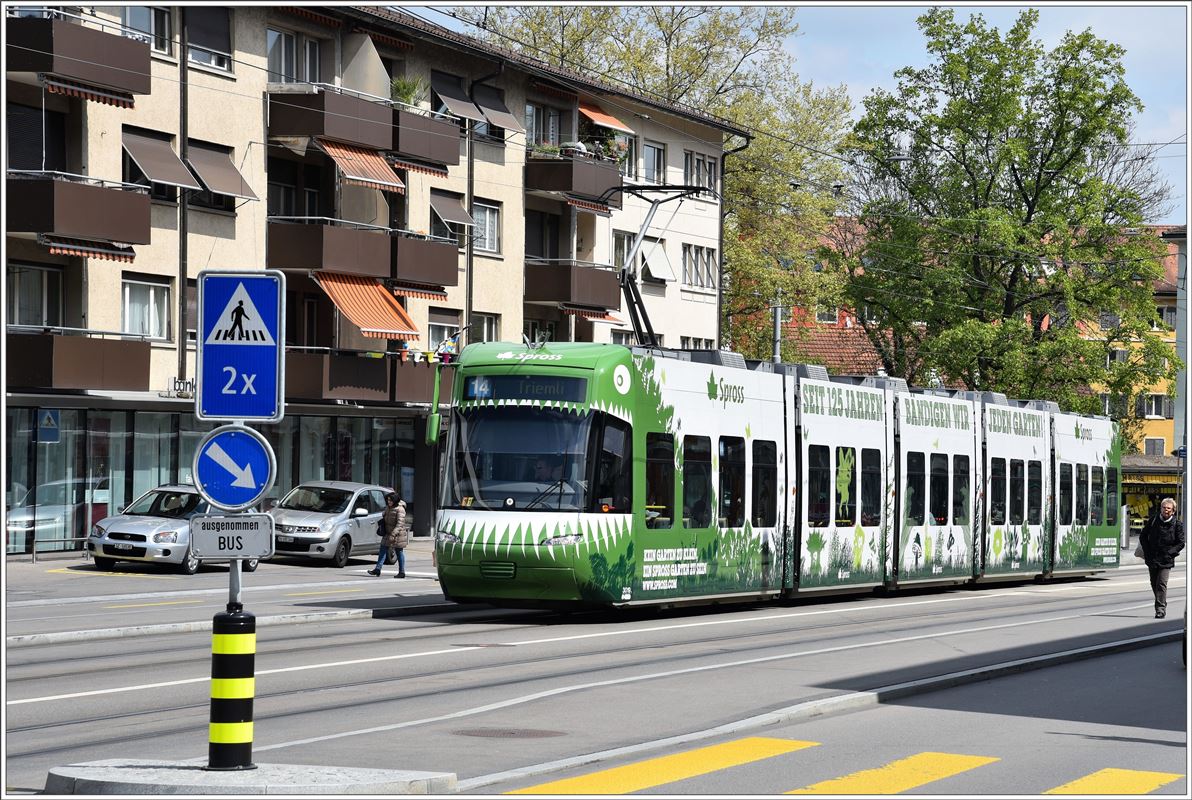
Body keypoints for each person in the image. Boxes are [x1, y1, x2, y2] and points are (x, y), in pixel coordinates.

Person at [1139, 497, 1185, 618]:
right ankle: (1162, 601)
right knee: (1153, 583)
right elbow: (1143, 536)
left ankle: (1160, 609)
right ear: (1161, 508)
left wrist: (1170, 553)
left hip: (1166, 559)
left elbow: (1181, 543)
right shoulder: (1154, 520)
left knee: (1161, 583)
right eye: (1164, 508)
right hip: (1152, 557)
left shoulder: (1177, 524)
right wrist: (1147, 552)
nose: (1166, 510)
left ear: (1173, 511)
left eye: (1169, 508)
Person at [367, 492, 408, 578]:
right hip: (388, 532)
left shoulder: (400, 509)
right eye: (388, 500)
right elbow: (385, 515)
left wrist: (393, 534)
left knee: (399, 551)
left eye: (390, 500)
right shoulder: (388, 508)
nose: (388, 502)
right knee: (382, 549)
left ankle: (402, 572)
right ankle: (377, 569)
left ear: (395, 500)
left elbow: (400, 524)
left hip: (398, 534)